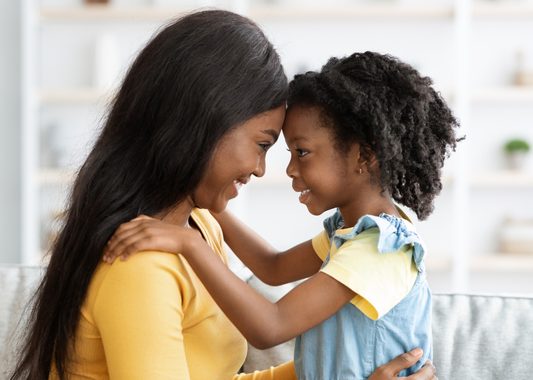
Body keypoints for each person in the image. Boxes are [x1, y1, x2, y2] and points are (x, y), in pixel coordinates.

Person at [8, 10, 437, 380]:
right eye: (264, 144)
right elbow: (271, 292)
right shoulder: (141, 263)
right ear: (203, 124)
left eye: (297, 152)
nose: (264, 169)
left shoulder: (200, 228)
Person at [103, 52, 462, 379]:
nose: (288, 168)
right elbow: (272, 267)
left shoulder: (380, 249)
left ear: (363, 155)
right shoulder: (349, 231)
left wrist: (189, 243)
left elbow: (270, 327)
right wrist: (206, 195)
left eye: (302, 152)